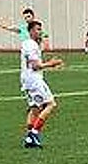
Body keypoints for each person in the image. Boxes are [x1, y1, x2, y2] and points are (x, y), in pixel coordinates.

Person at [21, 20, 64, 148]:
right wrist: (51, 64)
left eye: (40, 29)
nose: (40, 32)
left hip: (28, 80)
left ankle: (29, 137)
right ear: (30, 31)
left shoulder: (31, 44)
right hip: (34, 80)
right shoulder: (30, 45)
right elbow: (35, 66)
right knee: (51, 104)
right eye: (37, 29)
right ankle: (34, 133)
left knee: (34, 109)